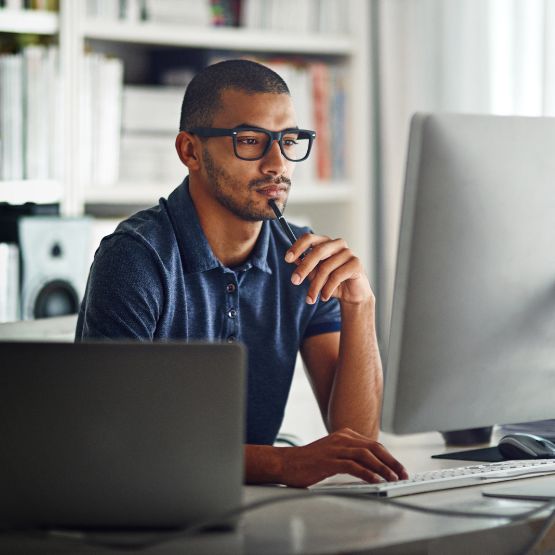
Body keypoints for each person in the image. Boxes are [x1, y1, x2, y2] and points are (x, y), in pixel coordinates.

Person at [76, 59, 408, 487]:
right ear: (190, 151)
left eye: (289, 141)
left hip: (255, 510)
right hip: (151, 509)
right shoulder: (135, 259)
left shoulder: (303, 257)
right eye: (250, 140)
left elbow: (357, 442)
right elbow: (116, 442)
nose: (277, 164)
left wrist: (361, 304)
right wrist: (283, 464)